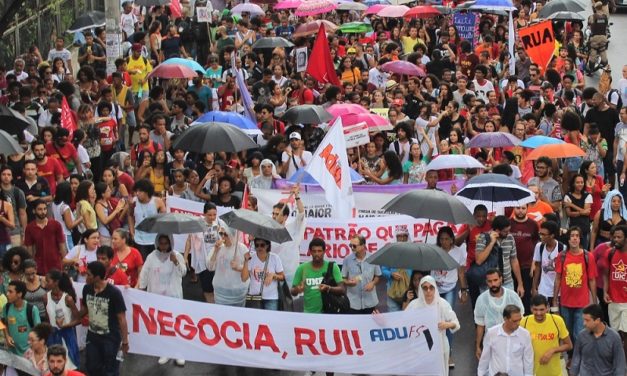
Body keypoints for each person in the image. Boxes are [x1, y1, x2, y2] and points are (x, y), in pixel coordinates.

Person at [138, 234, 186, 366]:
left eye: (166, 243)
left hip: (174, 297)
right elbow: (144, 274)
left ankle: (178, 352)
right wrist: (141, 291)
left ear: (170, 243)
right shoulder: (151, 256)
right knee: (161, 325)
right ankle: (164, 351)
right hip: (157, 298)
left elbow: (183, 272)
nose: (164, 246)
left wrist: (176, 261)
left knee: (176, 324)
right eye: (161, 243)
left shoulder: (177, 255)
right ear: (157, 243)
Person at [78, 261, 129, 376]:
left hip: (110, 338)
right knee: (92, 367)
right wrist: (72, 311)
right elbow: (85, 309)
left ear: (97, 277)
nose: (86, 277)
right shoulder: (87, 289)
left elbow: (121, 318)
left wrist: (125, 341)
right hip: (93, 336)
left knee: (110, 370)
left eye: (89, 275)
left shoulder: (114, 293)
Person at [552, 226, 598, 351]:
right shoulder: (562, 256)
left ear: (580, 239)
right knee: (567, 332)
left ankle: (577, 358)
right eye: (572, 235)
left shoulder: (588, 256)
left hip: (582, 302)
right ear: (568, 239)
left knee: (579, 333)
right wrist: (555, 299)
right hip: (565, 302)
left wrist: (594, 300)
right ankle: (572, 356)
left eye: (577, 236)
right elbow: (557, 278)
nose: (574, 238)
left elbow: (592, 279)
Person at [406, 276, 459, 376]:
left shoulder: (442, 304)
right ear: (421, 289)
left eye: (431, 287)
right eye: (425, 288)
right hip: (419, 349)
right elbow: (401, 322)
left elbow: (456, 323)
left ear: (435, 288)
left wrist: (447, 324)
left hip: (440, 347)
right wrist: (382, 322)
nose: (428, 290)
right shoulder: (414, 305)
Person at [474, 269, 525, 360]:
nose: (493, 284)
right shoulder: (481, 299)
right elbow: (480, 325)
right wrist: (478, 346)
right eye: (490, 281)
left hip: (512, 341)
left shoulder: (512, 296)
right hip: (491, 343)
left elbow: (521, 320)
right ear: (486, 282)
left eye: (495, 280)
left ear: (501, 279)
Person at [521, 294, 572, 376]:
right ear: (530, 308)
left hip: (554, 372)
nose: (538, 313)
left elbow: (569, 345)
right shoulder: (524, 322)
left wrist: (552, 350)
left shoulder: (557, 321)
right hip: (532, 372)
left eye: (542, 309)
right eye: (535, 309)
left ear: (548, 307)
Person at [474, 215, 525, 296]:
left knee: (509, 308)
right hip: (489, 284)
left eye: (509, 230)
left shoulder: (510, 238)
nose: (508, 233)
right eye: (505, 231)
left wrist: (520, 283)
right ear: (497, 230)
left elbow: (514, 260)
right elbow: (479, 260)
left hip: (507, 282)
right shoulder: (483, 238)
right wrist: (491, 243)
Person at [291, 238, 345, 314]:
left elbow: (342, 289)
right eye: (314, 251)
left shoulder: (332, 267)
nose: (317, 254)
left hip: (328, 312)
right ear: (310, 252)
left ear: (324, 252)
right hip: (308, 313)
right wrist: (297, 289)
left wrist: (328, 288)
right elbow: (293, 291)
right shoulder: (302, 268)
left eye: (319, 251)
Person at [477, 304, 534, 376]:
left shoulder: (525, 334)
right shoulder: (492, 333)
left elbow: (528, 361)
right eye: (514, 321)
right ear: (505, 319)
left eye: (519, 320)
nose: (518, 323)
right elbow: (485, 358)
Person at [571, 304, 626, 376]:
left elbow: (620, 365)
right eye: (583, 320)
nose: (584, 323)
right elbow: (576, 359)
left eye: (587, 320)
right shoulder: (582, 336)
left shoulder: (614, 337)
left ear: (597, 320)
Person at [456, 204, 492, 307]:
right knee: (476, 302)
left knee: (489, 300)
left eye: (484, 216)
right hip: (473, 267)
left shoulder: (491, 224)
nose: (481, 219)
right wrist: (468, 231)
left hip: (489, 266)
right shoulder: (467, 225)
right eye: (478, 216)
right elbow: (456, 242)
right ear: (473, 216)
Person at [44, 269, 80, 370]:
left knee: (69, 366)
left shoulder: (67, 298)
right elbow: (48, 319)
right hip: (52, 336)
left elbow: (78, 319)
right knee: (54, 366)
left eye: (48, 281)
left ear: (56, 282)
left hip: (67, 335)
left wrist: (64, 326)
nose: (45, 283)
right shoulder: (45, 297)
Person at [270, 184, 305, 286]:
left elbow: (302, 213)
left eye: (277, 214)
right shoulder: (269, 231)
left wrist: (297, 196)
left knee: (292, 302)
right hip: (274, 275)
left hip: (291, 275)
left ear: (285, 216)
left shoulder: (293, 228)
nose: (274, 216)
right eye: (273, 214)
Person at [208, 224, 248, 307]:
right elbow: (210, 267)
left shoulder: (242, 248)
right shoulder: (218, 248)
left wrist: (239, 267)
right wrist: (215, 251)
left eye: (225, 234)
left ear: (232, 235)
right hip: (221, 293)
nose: (223, 237)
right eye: (221, 234)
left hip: (238, 293)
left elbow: (249, 270)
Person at [241, 237, 285, 311]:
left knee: (270, 321)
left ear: (267, 245)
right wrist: (246, 261)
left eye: (262, 245)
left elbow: (282, 277)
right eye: (257, 245)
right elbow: (243, 278)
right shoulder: (251, 258)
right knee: (254, 321)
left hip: (271, 298)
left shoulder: (275, 258)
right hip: (254, 297)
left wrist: (273, 275)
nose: (259, 247)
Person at [23, 200, 67, 275]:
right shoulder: (30, 228)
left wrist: (65, 264)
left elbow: (62, 246)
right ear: (34, 211)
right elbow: (30, 250)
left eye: (45, 209)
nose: (43, 212)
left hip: (55, 264)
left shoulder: (56, 224)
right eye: (40, 209)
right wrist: (31, 266)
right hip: (39, 266)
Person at [603, 224, 627, 358]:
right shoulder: (610, 253)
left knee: (626, 333)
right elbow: (606, 274)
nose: (616, 239)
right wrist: (605, 292)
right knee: (616, 333)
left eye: (619, 237)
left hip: (626, 301)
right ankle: (617, 360)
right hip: (613, 299)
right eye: (614, 237)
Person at [510, 204, 539, 312]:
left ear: (527, 209)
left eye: (523, 208)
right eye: (518, 208)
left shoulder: (533, 224)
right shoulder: (509, 224)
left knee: (526, 296)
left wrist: (534, 263)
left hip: (528, 266)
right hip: (511, 267)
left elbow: (536, 243)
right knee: (513, 296)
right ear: (514, 209)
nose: (520, 211)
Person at [342, 234, 381, 314]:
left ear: (363, 246)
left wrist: (373, 283)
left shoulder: (373, 257)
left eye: (354, 246)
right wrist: (348, 282)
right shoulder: (347, 260)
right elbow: (343, 279)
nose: (352, 248)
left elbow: (378, 275)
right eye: (350, 245)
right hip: (353, 303)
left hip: (370, 301)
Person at [128, 179, 165, 259]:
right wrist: (132, 231)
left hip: (154, 239)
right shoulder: (133, 201)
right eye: (136, 191)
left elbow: (164, 218)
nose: (137, 194)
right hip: (139, 238)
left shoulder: (157, 201)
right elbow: (130, 215)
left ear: (147, 192)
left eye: (140, 191)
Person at [2, 280, 41, 355]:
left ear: (19, 294)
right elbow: (2, 322)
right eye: (7, 291)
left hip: (29, 354)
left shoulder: (32, 309)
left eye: (10, 292)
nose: (7, 294)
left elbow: (38, 331)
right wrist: (7, 336)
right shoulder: (6, 307)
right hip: (12, 353)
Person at [532, 221, 565, 306]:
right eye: (540, 234)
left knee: (556, 315)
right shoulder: (539, 246)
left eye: (543, 234)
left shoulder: (562, 248)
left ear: (552, 235)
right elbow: (538, 267)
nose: (541, 236)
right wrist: (534, 287)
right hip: (543, 290)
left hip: (559, 291)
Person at [382, 225, 413, 312]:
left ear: (408, 237)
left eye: (404, 236)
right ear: (396, 237)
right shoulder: (390, 252)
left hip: (409, 292)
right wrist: (391, 274)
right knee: (394, 319)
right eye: (399, 236)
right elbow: (383, 270)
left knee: (408, 319)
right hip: (393, 292)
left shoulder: (413, 253)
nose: (402, 239)